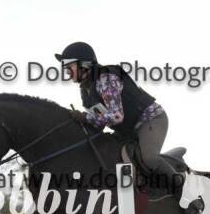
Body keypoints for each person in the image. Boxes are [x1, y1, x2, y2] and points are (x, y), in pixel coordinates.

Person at [55, 41, 177, 191]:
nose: (66, 70)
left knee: (149, 159)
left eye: (69, 66)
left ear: (84, 65)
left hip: (150, 120)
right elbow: (99, 121)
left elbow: (117, 116)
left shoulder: (106, 78)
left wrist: (85, 118)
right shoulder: (85, 90)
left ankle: (184, 189)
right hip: (125, 130)